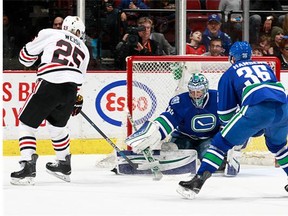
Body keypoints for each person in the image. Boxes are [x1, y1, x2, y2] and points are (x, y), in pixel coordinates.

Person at [177, 41, 288, 199]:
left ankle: (197, 181)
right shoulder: (265, 66)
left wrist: (243, 130)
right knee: (278, 146)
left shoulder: (229, 74)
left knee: (219, 143)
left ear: (232, 57)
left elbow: (226, 114)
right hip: (284, 108)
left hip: (257, 109)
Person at [10, 16, 90, 185]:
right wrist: (77, 98)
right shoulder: (84, 49)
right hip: (70, 91)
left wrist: (34, 58)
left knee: (27, 124)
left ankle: (27, 166)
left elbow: (24, 58)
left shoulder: (51, 33)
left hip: (50, 82)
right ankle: (63, 164)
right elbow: (79, 79)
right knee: (57, 127)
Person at [125, 73, 240, 175]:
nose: (195, 94)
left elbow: (230, 120)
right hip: (183, 136)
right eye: (192, 91)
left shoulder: (219, 98)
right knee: (172, 155)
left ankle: (222, 157)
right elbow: (168, 119)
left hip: (209, 138)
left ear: (205, 89)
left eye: (198, 91)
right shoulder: (180, 101)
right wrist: (153, 132)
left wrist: (228, 141)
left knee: (210, 160)